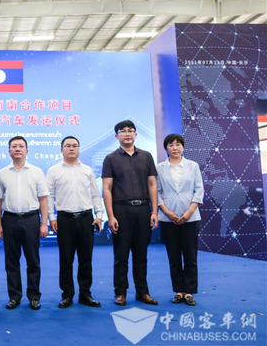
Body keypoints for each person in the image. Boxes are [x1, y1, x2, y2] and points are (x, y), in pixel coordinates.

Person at [102, 120, 159, 306]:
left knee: (141, 254)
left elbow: (152, 184)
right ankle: (120, 293)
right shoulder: (110, 158)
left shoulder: (146, 156)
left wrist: (154, 211)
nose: (127, 134)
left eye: (130, 130)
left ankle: (142, 292)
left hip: (143, 209)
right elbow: (107, 188)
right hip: (121, 210)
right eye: (123, 131)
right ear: (116, 136)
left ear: (135, 134)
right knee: (121, 255)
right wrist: (111, 216)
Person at [46, 136, 104, 308]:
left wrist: (99, 215)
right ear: (61, 150)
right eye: (67, 146)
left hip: (86, 219)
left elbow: (95, 194)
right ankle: (67, 295)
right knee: (66, 260)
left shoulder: (87, 170)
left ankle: (85, 294)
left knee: (86, 259)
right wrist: (51, 217)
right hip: (64, 219)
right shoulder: (54, 170)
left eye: (74, 146)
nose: (71, 148)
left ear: (79, 149)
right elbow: (49, 196)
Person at [0, 136, 49, 310]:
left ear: (27, 151)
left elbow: (43, 200)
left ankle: (34, 297)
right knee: (11, 261)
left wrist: (44, 223)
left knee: (33, 260)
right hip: (9, 220)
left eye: (21, 146)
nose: (17, 149)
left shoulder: (37, 172)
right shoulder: (2, 173)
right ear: (9, 151)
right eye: (14, 146)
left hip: (31, 219)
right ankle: (14, 297)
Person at [157, 134, 204, 306]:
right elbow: (156, 192)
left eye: (178, 144)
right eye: (171, 145)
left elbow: (199, 190)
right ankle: (178, 291)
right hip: (168, 219)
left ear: (183, 147)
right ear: (166, 148)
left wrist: (189, 212)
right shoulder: (159, 168)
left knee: (190, 256)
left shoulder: (193, 166)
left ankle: (189, 292)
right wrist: (167, 212)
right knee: (174, 256)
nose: (175, 148)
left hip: (190, 218)